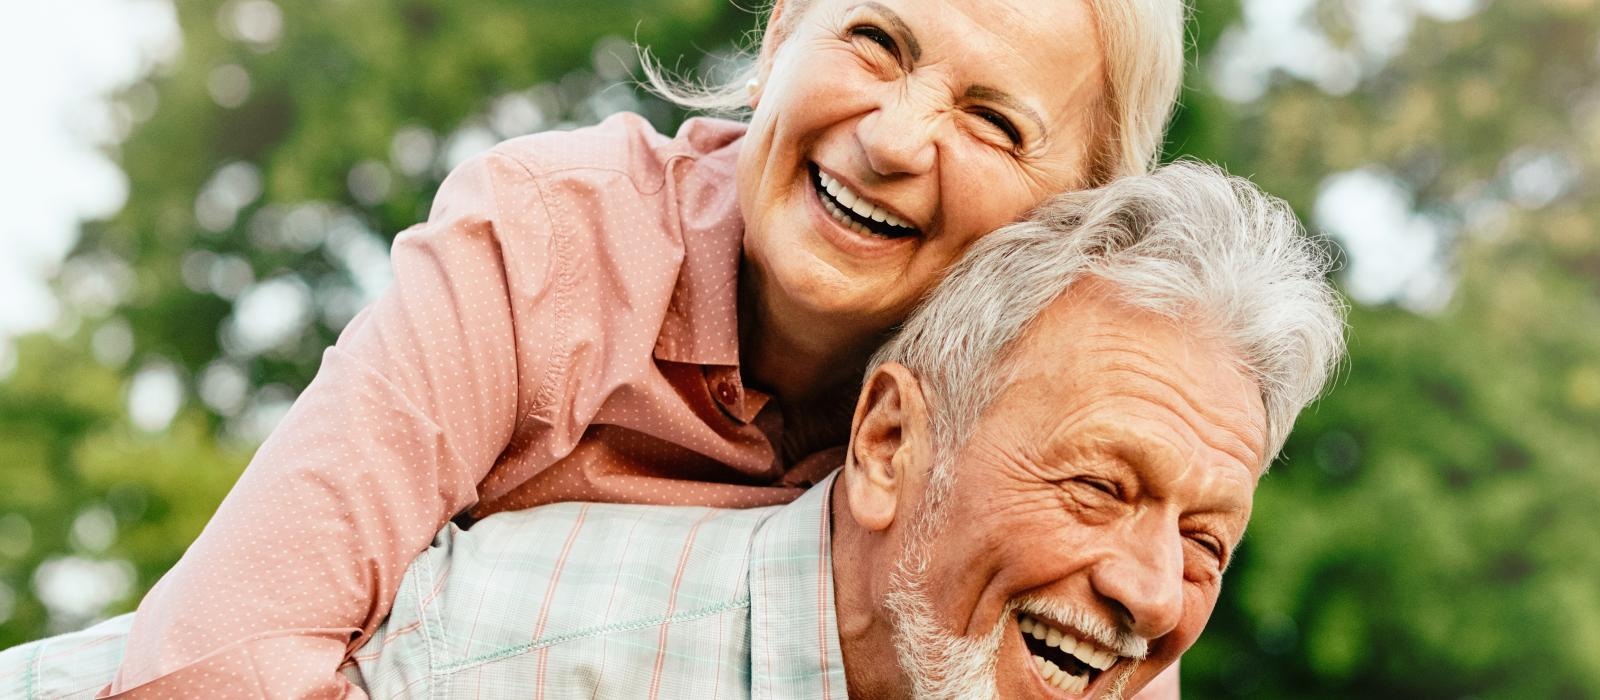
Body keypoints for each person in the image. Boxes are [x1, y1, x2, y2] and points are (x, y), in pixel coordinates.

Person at [99, 0, 1194, 696]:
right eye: (874, 41)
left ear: (1073, 219)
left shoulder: (1058, 429)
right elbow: (216, 665)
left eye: (994, 121)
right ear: (780, 36)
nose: (894, 138)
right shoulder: (542, 240)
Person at [6, 162, 1346, 699]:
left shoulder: (1015, 645)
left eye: (1208, 542)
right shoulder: (514, 651)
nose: (1152, 588)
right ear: (887, 447)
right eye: (1101, 486)